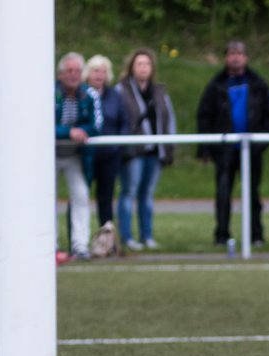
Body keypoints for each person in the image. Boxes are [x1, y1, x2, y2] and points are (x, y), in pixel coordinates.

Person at [196, 40, 269, 250]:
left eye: (240, 53)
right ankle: (221, 234)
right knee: (223, 194)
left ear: (246, 57)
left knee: (252, 194)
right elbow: (204, 116)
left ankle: (256, 235)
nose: (235, 57)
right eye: (231, 53)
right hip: (224, 151)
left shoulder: (258, 83)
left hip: (252, 150)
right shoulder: (216, 84)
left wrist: (262, 141)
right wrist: (205, 147)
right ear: (226, 57)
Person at [117, 48, 177, 252]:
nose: (143, 68)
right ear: (131, 68)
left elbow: (169, 119)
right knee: (129, 192)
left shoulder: (159, 91)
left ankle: (147, 235)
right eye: (139, 64)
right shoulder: (122, 90)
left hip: (155, 152)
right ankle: (127, 237)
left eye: (147, 64)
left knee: (147, 194)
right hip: (133, 152)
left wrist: (169, 146)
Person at [55, 51, 102, 261]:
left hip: (76, 155)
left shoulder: (89, 95)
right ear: (61, 74)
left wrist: (81, 131)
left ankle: (80, 245)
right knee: (47, 199)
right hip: (49, 155)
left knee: (81, 195)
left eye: (77, 71)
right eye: (69, 71)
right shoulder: (48, 92)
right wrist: (68, 132)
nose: (73, 75)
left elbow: (97, 125)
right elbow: (38, 124)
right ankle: (49, 245)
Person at [84, 54, 126, 230]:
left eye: (103, 71)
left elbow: (123, 121)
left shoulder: (114, 95)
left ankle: (106, 237)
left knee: (106, 198)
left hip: (109, 154)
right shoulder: (81, 93)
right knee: (80, 196)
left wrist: (118, 145)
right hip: (85, 154)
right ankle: (78, 239)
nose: (99, 75)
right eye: (95, 71)